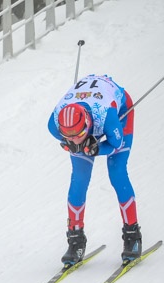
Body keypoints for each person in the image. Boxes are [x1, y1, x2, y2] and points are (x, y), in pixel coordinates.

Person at [47, 73, 141, 265]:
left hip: (119, 113)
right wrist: (72, 142)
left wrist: (98, 148)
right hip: (86, 112)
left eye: (78, 134)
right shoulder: (55, 122)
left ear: (88, 125)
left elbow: (116, 142)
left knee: (117, 173)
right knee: (79, 179)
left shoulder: (107, 116)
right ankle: (76, 240)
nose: (73, 139)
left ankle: (132, 235)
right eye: (68, 136)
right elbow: (66, 135)